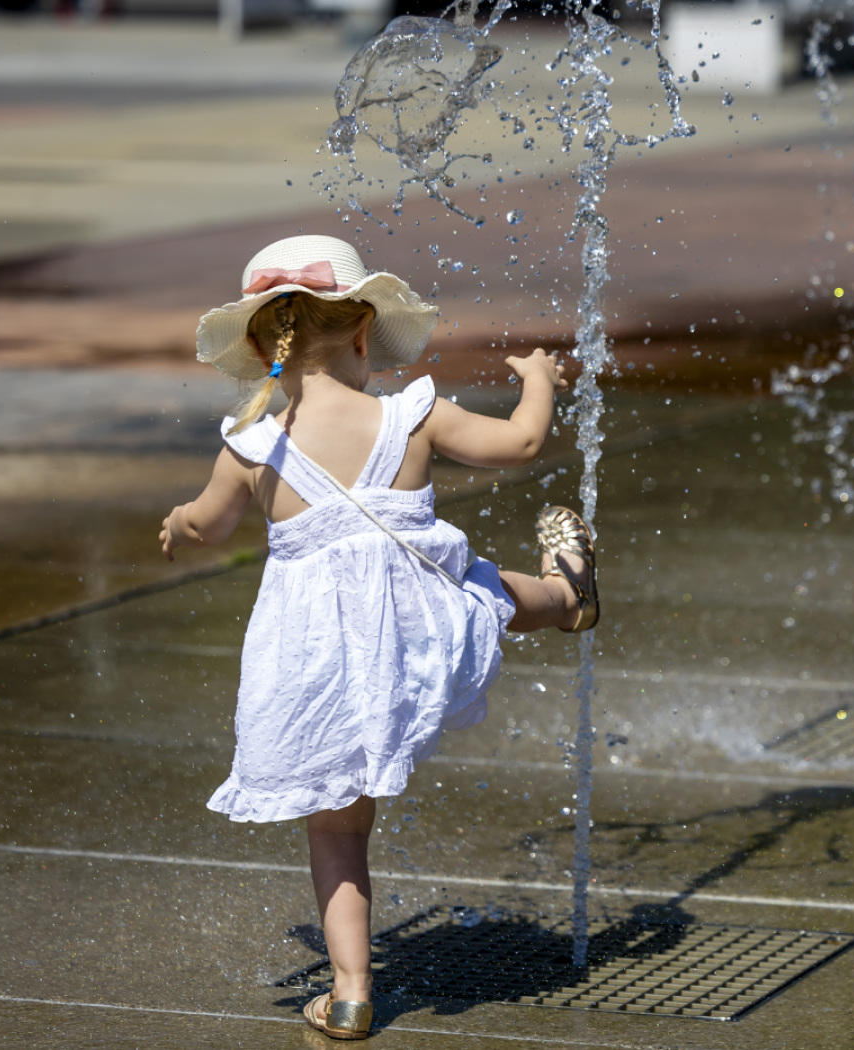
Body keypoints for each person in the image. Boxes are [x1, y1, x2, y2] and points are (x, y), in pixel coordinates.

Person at [159, 234, 599, 1040]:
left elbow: (211, 523)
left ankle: (353, 991)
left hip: (319, 665)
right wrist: (537, 382)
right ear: (365, 334)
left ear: (262, 349)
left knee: (335, 828)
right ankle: (569, 597)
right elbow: (524, 445)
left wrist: (179, 526)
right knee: (479, 588)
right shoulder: (412, 415)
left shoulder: (251, 445)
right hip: (412, 633)